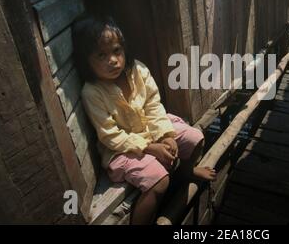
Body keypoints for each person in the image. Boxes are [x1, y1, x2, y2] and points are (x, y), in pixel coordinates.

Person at [71, 15, 216, 224]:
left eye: (116, 51)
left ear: (124, 48)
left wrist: (166, 135)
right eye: (101, 55)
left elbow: (153, 106)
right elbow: (111, 136)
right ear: (86, 61)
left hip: (150, 127)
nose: (112, 60)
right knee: (159, 182)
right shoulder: (92, 92)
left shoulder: (138, 70)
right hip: (121, 148)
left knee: (195, 138)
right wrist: (150, 147)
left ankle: (186, 172)